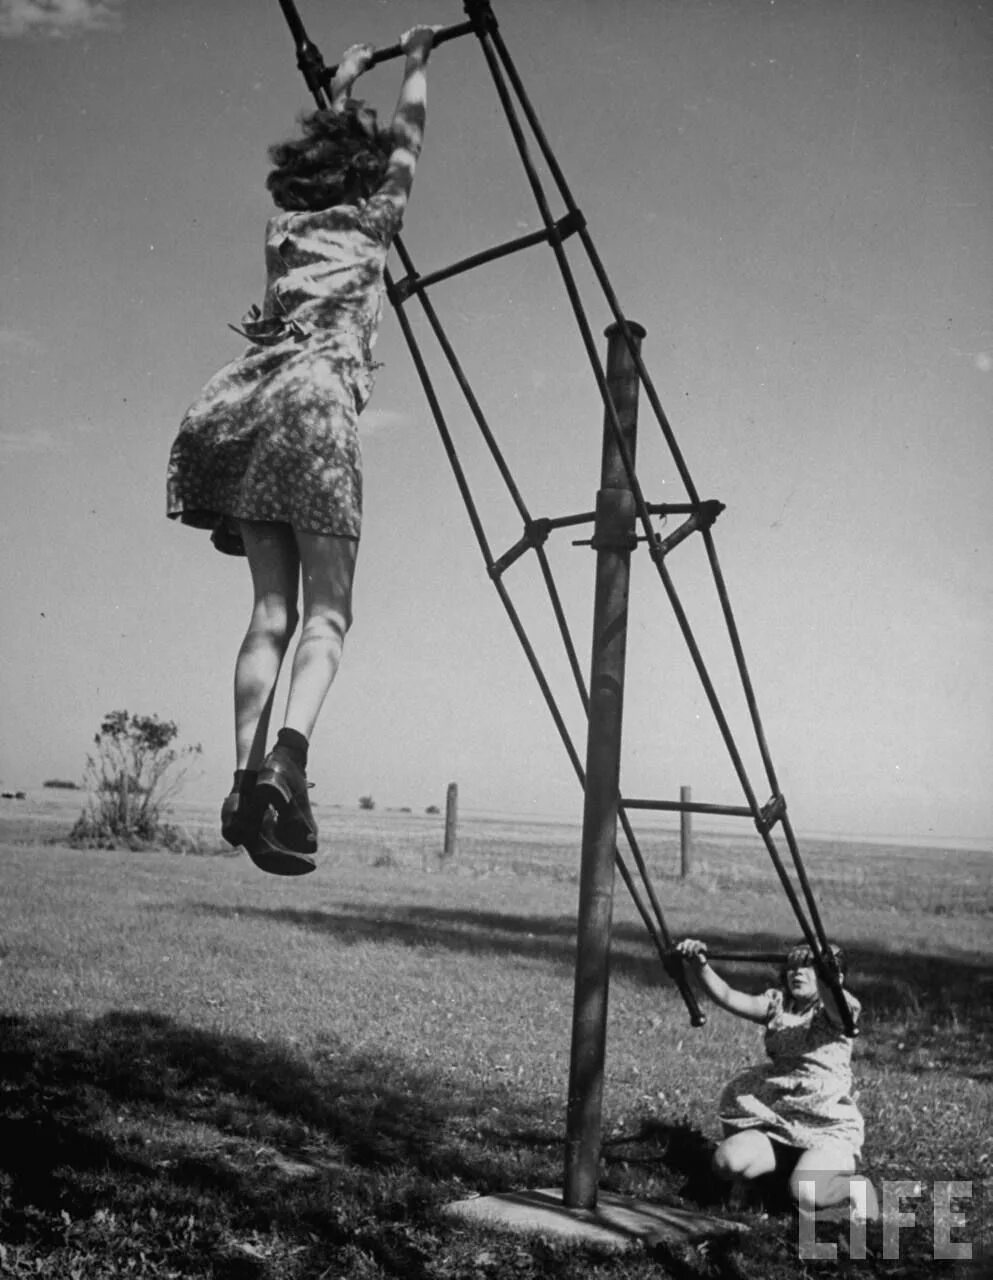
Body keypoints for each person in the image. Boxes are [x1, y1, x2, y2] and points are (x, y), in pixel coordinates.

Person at [167, 27, 438, 876]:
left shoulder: (284, 231)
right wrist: (419, 61)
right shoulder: (374, 221)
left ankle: (246, 782)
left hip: (253, 407)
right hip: (318, 412)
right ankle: (290, 755)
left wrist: (345, 80)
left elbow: (341, 151)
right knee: (329, 614)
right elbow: (406, 142)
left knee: (269, 615)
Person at [675, 938, 879, 1220]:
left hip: (826, 1126)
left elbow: (834, 999)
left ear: (835, 976)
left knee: (806, 1192)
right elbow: (728, 996)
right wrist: (701, 967)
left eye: (809, 967)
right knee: (726, 1162)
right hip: (781, 1121)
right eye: (793, 966)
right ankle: (778, 1178)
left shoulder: (839, 1009)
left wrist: (825, 973)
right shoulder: (779, 1004)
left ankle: (856, 1189)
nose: (798, 972)